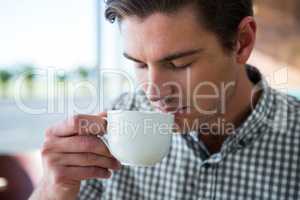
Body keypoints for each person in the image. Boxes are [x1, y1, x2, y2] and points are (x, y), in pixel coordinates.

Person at [30, 0, 300, 199]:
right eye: (139, 64)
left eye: (178, 63)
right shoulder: (118, 120)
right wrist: (53, 189)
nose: (153, 92)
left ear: (242, 41)